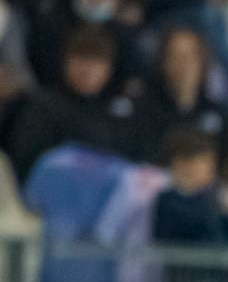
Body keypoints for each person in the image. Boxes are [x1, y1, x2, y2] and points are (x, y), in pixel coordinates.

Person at [4, 24, 137, 179]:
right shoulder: (42, 106)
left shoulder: (113, 115)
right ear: (66, 62)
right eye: (81, 60)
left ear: (109, 70)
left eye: (97, 63)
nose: (88, 71)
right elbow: (23, 159)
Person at [152, 128, 228, 282]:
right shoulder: (168, 200)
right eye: (201, 163)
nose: (207, 170)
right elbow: (172, 233)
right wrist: (213, 202)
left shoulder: (219, 198)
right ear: (180, 165)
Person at [131, 24, 228, 166]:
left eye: (191, 56)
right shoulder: (144, 111)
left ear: (203, 62)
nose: (184, 65)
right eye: (176, 56)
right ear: (163, 63)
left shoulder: (217, 111)